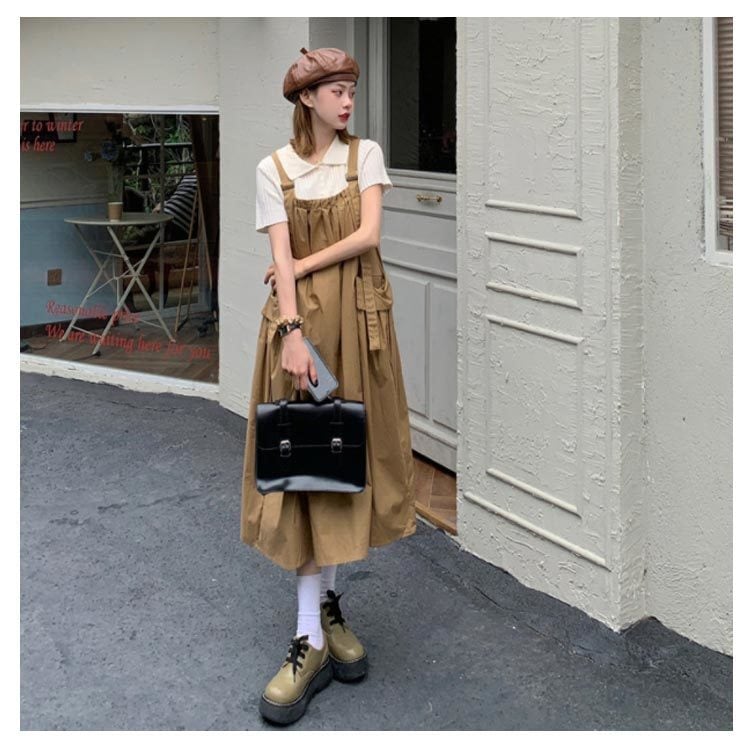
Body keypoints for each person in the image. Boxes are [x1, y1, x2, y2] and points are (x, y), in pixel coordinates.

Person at [240, 47, 418, 726]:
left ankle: (325, 611)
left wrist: (299, 262)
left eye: (350, 89)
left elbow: (368, 235)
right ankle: (310, 635)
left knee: (343, 466)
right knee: (307, 468)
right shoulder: (273, 169)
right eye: (335, 91)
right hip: (304, 334)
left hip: (359, 330)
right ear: (307, 99)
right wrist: (290, 332)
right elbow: (277, 260)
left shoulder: (363, 156)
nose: (347, 100)